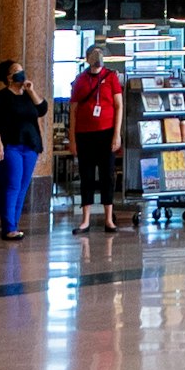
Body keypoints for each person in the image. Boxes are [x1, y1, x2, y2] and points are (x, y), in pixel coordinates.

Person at [65, 45, 129, 236]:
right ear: (87, 58)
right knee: (86, 176)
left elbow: (119, 106)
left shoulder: (111, 78)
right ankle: (85, 219)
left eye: (100, 54)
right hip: (85, 134)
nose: (97, 58)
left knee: (107, 175)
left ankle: (109, 218)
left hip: (106, 133)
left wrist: (117, 134)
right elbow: (74, 110)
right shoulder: (81, 80)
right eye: (93, 55)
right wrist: (72, 138)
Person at [0, 60, 48, 241]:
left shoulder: (28, 96)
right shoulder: (1, 97)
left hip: (29, 146)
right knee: (12, 184)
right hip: (9, 145)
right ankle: (8, 227)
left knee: (22, 186)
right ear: (8, 77)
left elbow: (42, 109)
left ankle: (14, 223)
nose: (21, 73)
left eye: (22, 70)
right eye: (16, 71)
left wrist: (31, 90)